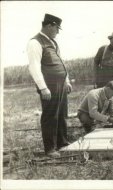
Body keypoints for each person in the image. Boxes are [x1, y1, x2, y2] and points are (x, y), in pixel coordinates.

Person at [27, 13, 72, 158]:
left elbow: (61, 63)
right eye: (56, 28)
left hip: (61, 84)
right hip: (49, 86)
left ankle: (62, 143)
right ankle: (50, 148)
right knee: (50, 116)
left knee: (62, 114)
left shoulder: (53, 42)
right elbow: (34, 67)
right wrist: (43, 87)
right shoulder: (35, 42)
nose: (58, 31)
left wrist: (67, 81)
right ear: (49, 25)